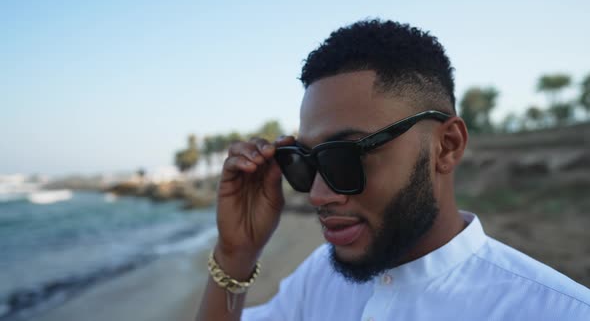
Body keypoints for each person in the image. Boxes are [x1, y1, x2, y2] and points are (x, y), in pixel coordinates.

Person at [196, 19, 590, 321]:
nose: (317, 194)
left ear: (446, 147)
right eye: (305, 160)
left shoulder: (557, 311)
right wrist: (236, 254)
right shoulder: (317, 278)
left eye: (346, 155)